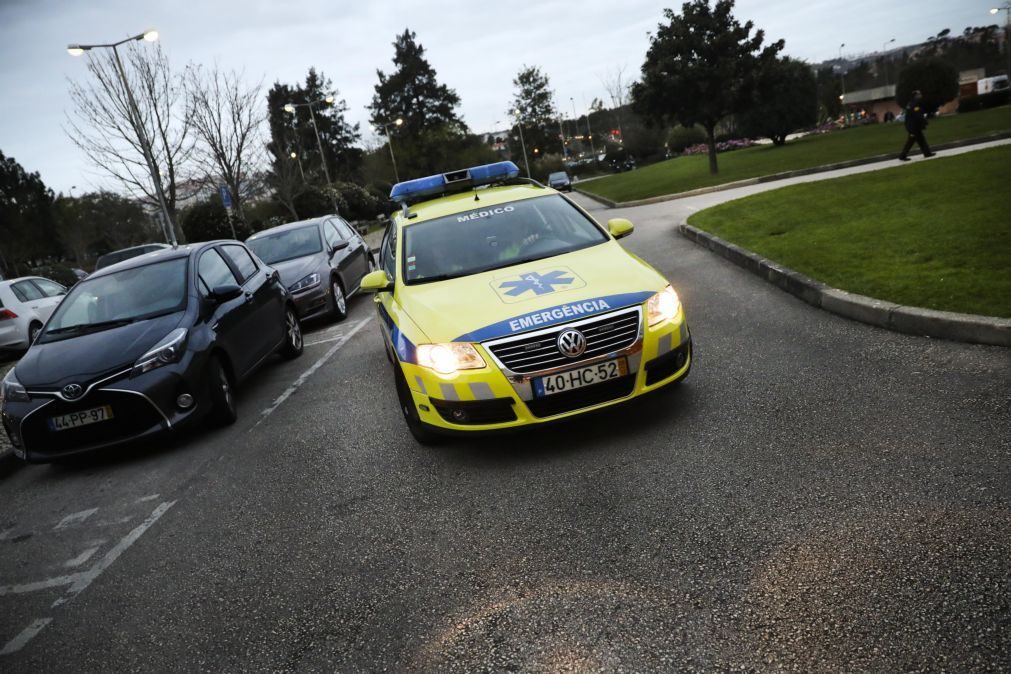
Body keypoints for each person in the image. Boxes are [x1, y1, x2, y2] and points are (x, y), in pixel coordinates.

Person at [898, 90, 936, 161]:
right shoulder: (915, 104)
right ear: (915, 96)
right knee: (910, 141)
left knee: (921, 139)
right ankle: (902, 156)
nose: (921, 95)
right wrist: (924, 122)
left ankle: (927, 153)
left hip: (913, 126)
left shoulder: (911, 103)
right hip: (913, 127)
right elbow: (917, 115)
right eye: (919, 94)